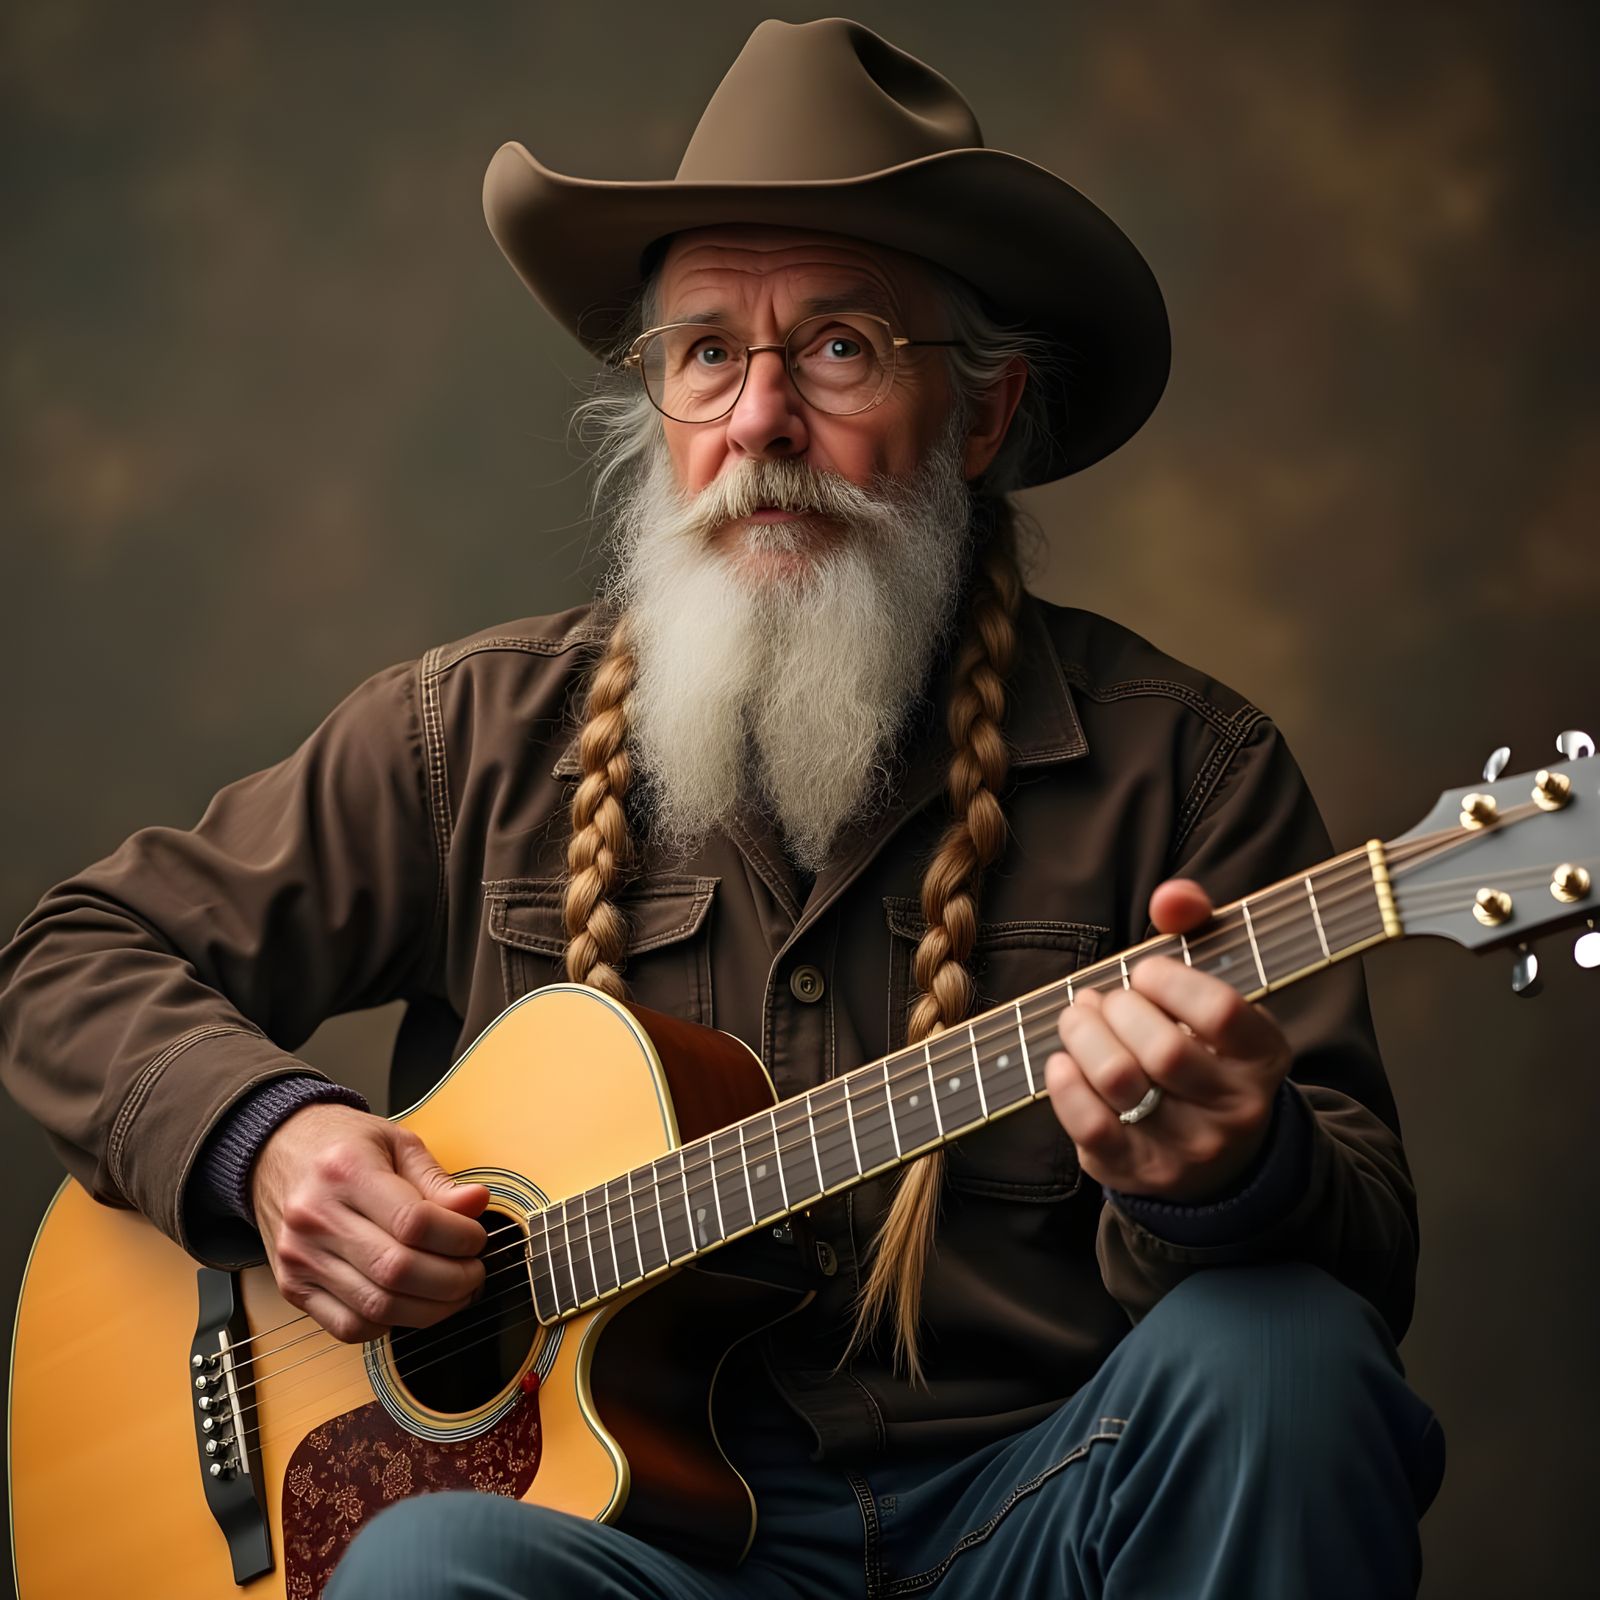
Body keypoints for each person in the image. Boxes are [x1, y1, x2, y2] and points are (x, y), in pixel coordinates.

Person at [0, 17, 1444, 1598]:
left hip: (1045, 1522)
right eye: (706, 353)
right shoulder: (469, 735)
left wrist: (1235, 1172)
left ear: (979, 412)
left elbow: (1363, 1250)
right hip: (630, 1559)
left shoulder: (1191, 771)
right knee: (429, 1569)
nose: (759, 420)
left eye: (837, 348)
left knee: (1286, 1352)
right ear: (664, 412)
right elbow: (70, 956)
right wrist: (267, 1146)